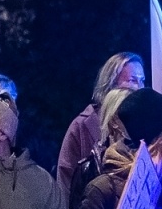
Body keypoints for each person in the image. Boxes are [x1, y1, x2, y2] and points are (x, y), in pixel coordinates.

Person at [57, 52, 145, 200]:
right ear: (111, 84)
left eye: (142, 80)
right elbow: (65, 182)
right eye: (132, 80)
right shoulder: (82, 126)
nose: (139, 88)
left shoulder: (146, 125)